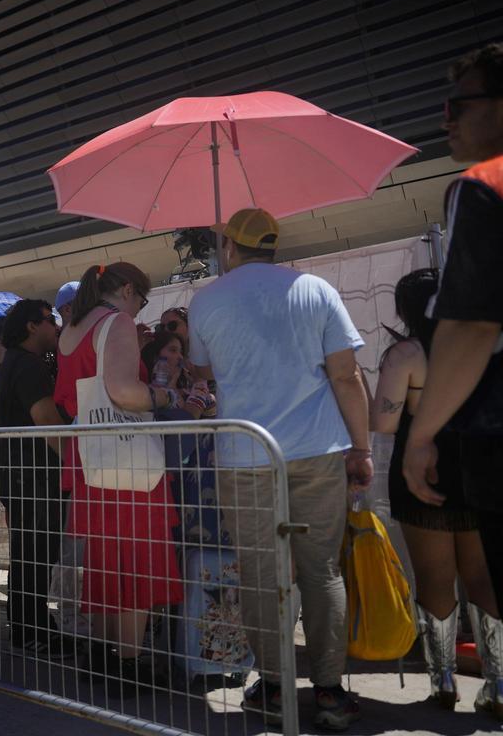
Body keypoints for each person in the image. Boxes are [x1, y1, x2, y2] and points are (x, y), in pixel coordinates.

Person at [188, 207, 370, 730]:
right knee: (321, 572)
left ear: (229, 248)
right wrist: (361, 448)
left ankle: (270, 687)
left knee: (263, 577)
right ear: (271, 245)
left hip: (245, 455)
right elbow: (346, 376)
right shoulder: (315, 290)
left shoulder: (207, 300)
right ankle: (331, 693)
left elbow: (203, 371)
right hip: (317, 450)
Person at [403, 44, 503, 721]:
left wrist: (423, 434)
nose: (445, 121)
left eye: (456, 106)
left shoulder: (483, 185)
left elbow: (469, 326)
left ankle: (448, 676)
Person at [372, 269, 498, 711]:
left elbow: (385, 423)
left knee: (434, 578)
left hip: (420, 471)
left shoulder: (404, 354)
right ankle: (499, 684)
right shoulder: (480, 346)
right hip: (479, 467)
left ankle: (443, 681)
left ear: (405, 310)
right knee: (484, 577)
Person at [54, 262, 183, 696]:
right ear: (127, 289)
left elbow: (70, 395)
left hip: (91, 459)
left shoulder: (71, 329)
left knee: (105, 560)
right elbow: (123, 390)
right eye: (141, 299)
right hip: (130, 461)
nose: (139, 308)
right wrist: (166, 396)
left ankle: (103, 656)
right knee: (136, 561)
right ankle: (130, 664)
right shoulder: (119, 322)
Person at [0, 299, 73, 656]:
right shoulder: (29, 366)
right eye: (49, 320)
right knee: (37, 554)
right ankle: (32, 630)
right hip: (34, 477)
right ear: (31, 325)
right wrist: (74, 462)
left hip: (22, 475)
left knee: (29, 554)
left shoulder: (15, 361)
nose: (55, 327)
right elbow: (47, 422)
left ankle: (29, 625)